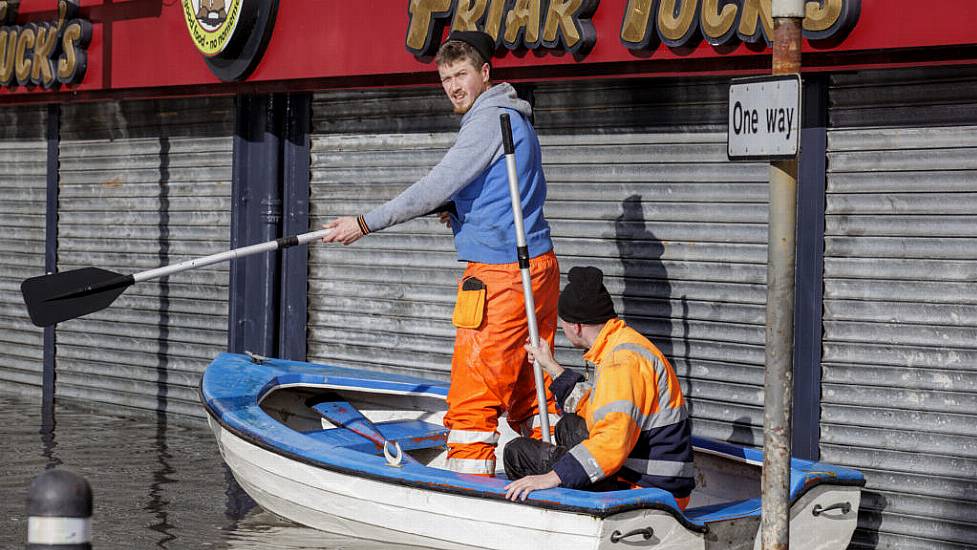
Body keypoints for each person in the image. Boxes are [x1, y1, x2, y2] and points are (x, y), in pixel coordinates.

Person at [321, 30, 560, 476]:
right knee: (533, 388)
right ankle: (560, 474)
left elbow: (434, 185)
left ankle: (470, 494)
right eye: (446, 77)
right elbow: (512, 192)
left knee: (475, 393)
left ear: (485, 73)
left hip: (501, 275)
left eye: (461, 74)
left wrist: (364, 223)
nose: (453, 86)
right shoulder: (514, 116)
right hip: (537, 267)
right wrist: (463, 209)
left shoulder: (488, 120)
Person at [503, 266, 695, 509]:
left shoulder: (621, 362)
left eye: (562, 322)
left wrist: (549, 478)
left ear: (576, 326)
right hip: (647, 473)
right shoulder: (621, 344)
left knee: (518, 453)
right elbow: (596, 408)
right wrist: (550, 365)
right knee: (569, 425)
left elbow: (610, 443)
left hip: (650, 490)